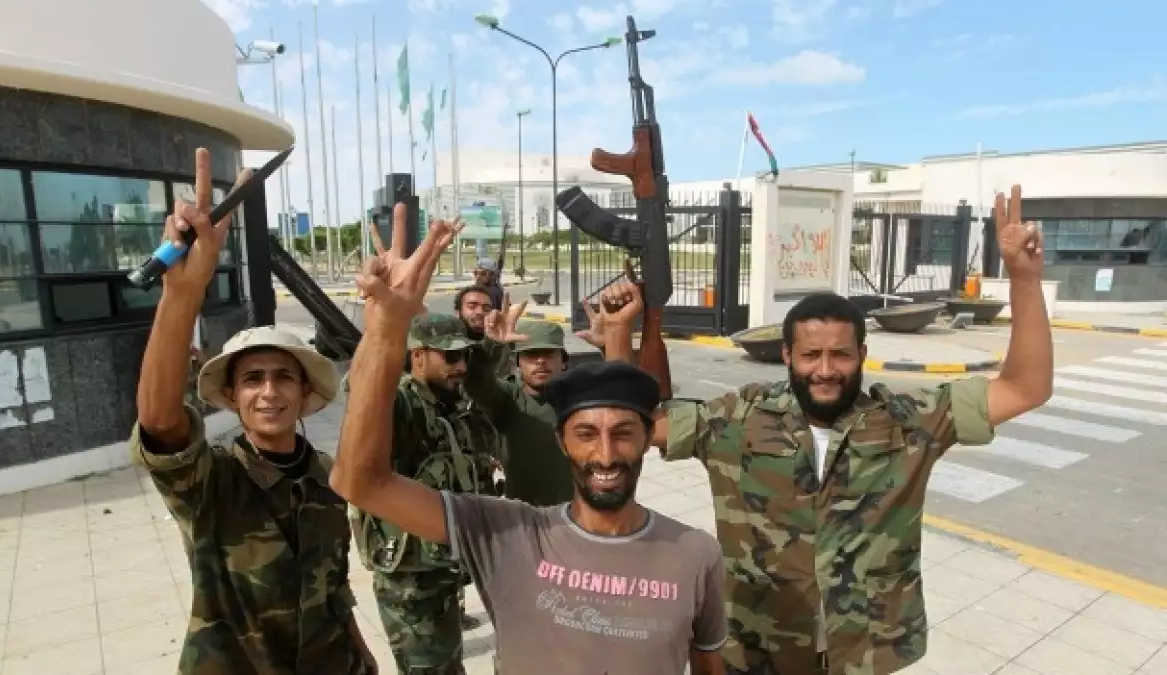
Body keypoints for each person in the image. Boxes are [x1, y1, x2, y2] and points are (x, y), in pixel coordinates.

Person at [649, 185, 1054, 675]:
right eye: (810, 355)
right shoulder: (734, 419)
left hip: (865, 653)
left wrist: (1023, 279)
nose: (825, 370)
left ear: (862, 355)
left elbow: (1025, 387)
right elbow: (634, 424)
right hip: (759, 651)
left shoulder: (910, 420)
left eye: (840, 354)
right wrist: (621, 335)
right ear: (787, 356)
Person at [331, 204, 729, 675]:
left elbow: (708, 665)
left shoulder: (693, 554)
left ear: (648, 440)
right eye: (585, 433)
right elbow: (361, 482)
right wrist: (385, 331)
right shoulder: (508, 536)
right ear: (563, 441)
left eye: (623, 433)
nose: (604, 452)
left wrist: (619, 336)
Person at [132, 148, 377, 674]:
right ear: (233, 396)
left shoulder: (324, 479)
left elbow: (332, 587)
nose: (268, 391)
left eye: (283, 375)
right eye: (252, 379)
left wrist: (362, 654)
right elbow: (158, 422)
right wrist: (183, 291)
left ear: (305, 393)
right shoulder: (212, 481)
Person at [346, 310, 501, 674]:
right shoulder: (403, 403)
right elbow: (363, 394)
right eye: (449, 356)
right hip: (411, 583)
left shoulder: (453, 405)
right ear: (417, 355)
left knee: (449, 664)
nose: (460, 365)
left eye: (464, 355)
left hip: (444, 567)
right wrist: (383, 325)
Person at [464, 280, 642, 507]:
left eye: (548, 354)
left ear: (564, 361)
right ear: (517, 364)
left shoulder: (580, 398)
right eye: (531, 355)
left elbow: (624, 394)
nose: (540, 361)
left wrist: (610, 345)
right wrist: (492, 344)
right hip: (525, 516)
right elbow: (475, 381)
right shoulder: (508, 400)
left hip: (577, 512)